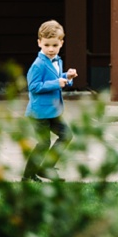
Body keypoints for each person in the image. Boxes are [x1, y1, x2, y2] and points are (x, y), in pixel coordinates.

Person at [22, 19, 78, 182]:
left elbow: (56, 78)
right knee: (43, 143)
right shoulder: (38, 65)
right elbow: (34, 87)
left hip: (53, 110)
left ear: (61, 43)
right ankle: (27, 177)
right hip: (39, 113)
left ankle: (46, 167)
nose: (51, 49)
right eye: (47, 45)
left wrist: (67, 76)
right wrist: (56, 83)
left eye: (55, 45)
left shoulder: (57, 61)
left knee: (66, 135)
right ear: (39, 43)